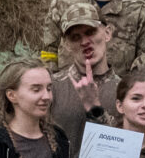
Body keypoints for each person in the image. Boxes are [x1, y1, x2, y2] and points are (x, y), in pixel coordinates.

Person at [47, 13, 118, 145]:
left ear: (107, 33)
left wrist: (95, 110)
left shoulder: (126, 91)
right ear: (67, 44)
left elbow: (127, 146)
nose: (85, 42)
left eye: (90, 32)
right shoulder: (51, 87)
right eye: (75, 37)